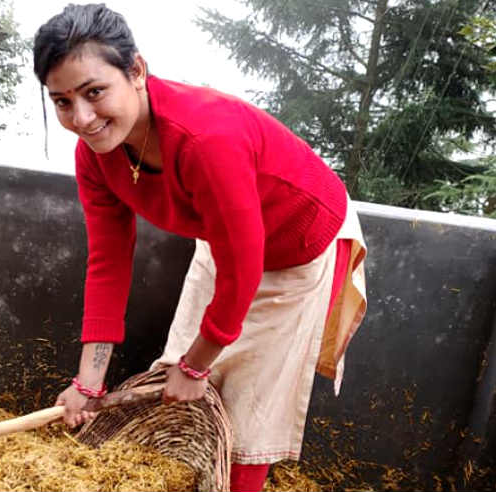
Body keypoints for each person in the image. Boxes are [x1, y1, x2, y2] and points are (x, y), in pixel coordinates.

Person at [34, 4, 368, 491]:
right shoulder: (95, 154)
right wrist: (88, 382)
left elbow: (246, 263)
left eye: (94, 92)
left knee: (250, 408)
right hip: (227, 239)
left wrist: (196, 365)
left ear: (137, 71)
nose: (81, 118)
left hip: (299, 245)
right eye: (62, 102)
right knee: (183, 386)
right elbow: (108, 262)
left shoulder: (207, 138)